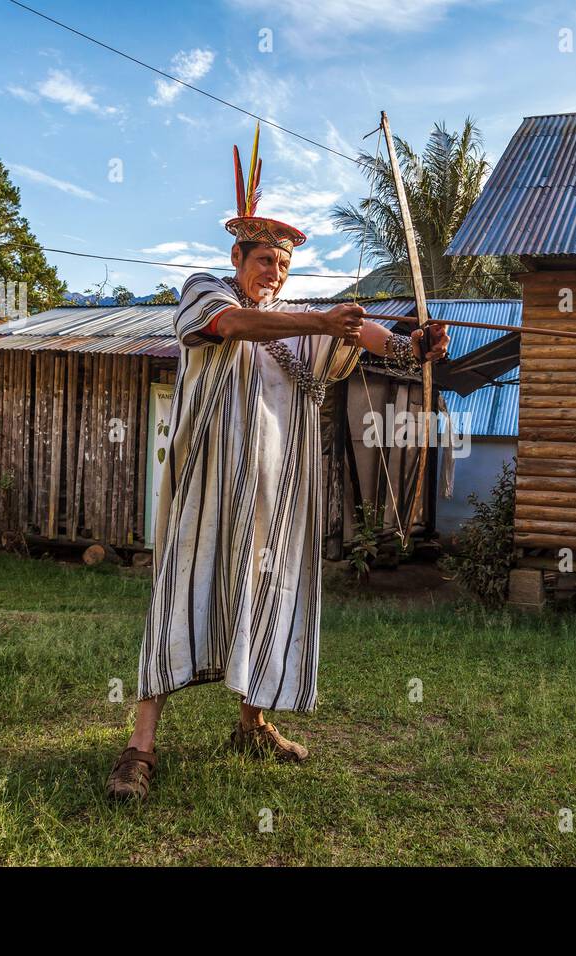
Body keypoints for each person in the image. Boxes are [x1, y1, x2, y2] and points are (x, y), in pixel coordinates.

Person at [106, 131, 447, 801]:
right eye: (264, 260)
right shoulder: (206, 294)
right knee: (181, 596)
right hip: (204, 494)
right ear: (237, 257)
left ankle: (251, 724)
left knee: (266, 599)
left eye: (283, 265)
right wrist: (322, 322)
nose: (275, 273)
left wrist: (412, 343)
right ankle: (139, 749)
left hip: (275, 500)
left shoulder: (298, 321)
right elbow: (232, 328)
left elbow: (362, 334)